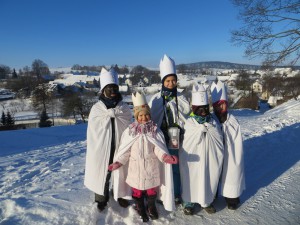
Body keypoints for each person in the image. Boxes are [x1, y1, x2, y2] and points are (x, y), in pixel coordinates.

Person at [108, 91, 178, 222]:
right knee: (137, 192)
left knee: (151, 191)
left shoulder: (155, 130)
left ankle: (151, 207)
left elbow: (158, 148)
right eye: (141, 115)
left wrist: (166, 157)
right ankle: (140, 207)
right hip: (135, 170)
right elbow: (126, 151)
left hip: (151, 169)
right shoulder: (131, 131)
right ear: (136, 116)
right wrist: (118, 163)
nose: (144, 118)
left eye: (146, 115)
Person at [84, 67, 132, 212]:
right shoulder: (97, 108)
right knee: (102, 171)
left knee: (122, 170)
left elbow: (129, 127)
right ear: (103, 90)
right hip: (101, 146)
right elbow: (93, 131)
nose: (112, 91)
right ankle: (101, 197)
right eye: (108, 88)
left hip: (119, 144)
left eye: (114, 88)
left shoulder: (124, 108)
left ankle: (122, 195)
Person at [148, 54, 190, 204]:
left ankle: (177, 192)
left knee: (177, 166)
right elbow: (152, 117)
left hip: (178, 137)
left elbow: (187, 115)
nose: (171, 83)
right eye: (168, 80)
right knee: (162, 167)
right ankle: (163, 194)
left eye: (173, 80)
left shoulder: (182, 98)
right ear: (163, 82)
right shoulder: (156, 99)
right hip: (162, 137)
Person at [179, 84, 224, 215]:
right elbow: (188, 139)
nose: (203, 111)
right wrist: (201, 128)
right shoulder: (190, 122)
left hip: (210, 155)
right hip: (194, 157)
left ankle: (206, 201)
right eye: (200, 108)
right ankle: (189, 202)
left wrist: (208, 127)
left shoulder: (213, 121)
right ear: (194, 108)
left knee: (209, 176)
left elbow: (217, 137)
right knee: (191, 177)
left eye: (205, 108)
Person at [210, 80, 245, 210]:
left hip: (230, 153)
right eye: (217, 105)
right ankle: (211, 196)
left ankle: (232, 198)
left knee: (231, 173)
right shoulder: (211, 119)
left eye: (222, 105)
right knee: (213, 173)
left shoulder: (233, 121)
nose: (220, 108)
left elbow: (236, 140)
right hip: (215, 153)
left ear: (227, 105)